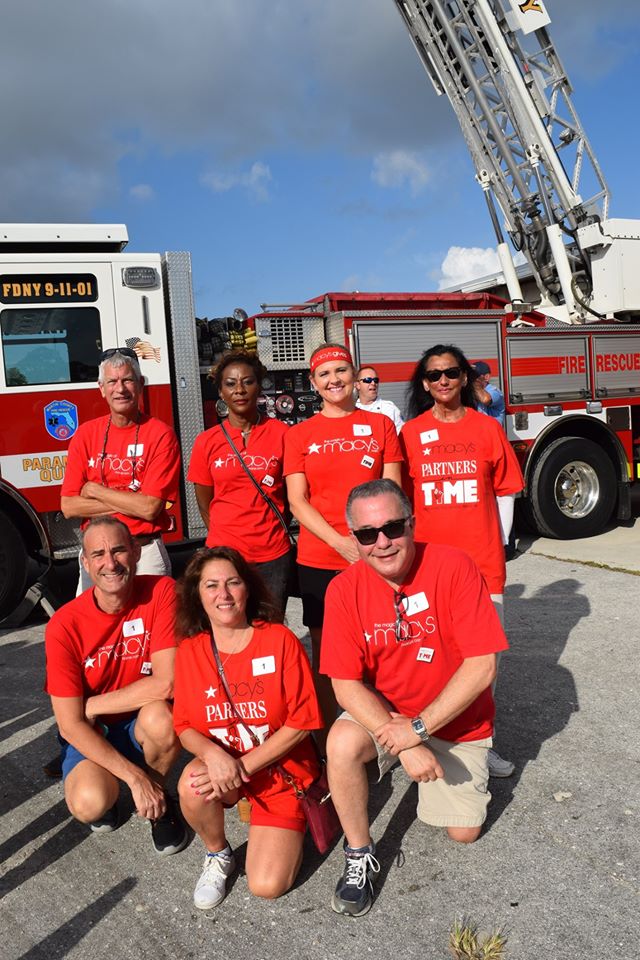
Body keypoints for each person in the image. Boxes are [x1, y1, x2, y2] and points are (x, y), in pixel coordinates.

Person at [321, 479, 507, 917]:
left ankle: (467, 764)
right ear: (354, 539)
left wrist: (417, 730)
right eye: (367, 534)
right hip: (389, 716)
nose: (382, 542)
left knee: (464, 833)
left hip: (455, 722)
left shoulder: (455, 566)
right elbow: (345, 685)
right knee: (341, 744)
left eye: (393, 528)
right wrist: (404, 740)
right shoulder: (343, 590)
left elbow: (483, 666)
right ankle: (358, 853)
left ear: (412, 523)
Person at [173, 546, 322, 909]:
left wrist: (242, 767)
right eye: (211, 586)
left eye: (232, 582)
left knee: (267, 885)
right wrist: (213, 756)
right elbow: (184, 725)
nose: (223, 594)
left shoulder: (279, 640)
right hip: (225, 769)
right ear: (198, 595)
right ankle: (218, 854)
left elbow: (302, 723)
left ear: (248, 589)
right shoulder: (190, 651)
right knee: (191, 785)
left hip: (280, 774)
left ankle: (282, 824)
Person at [400, 344, 523, 778]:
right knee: (431, 658)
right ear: (424, 383)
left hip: (483, 566)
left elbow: (507, 489)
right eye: (434, 375)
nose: (443, 381)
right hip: (428, 569)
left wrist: (501, 543)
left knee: (484, 666)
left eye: (451, 372)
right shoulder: (410, 434)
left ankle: (480, 742)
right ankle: (428, 737)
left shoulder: (487, 429)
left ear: (464, 377)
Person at [44, 516, 187, 855]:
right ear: (85, 562)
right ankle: (123, 782)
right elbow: (69, 724)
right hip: (94, 732)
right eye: (98, 554)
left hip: (140, 720)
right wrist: (132, 779)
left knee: (163, 719)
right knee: (90, 804)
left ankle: (159, 798)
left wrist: (91, 705)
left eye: (119, 550)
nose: (110, 562)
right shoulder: (64, 625)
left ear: (136, 552)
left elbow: (168, 684)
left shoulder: (162, 592)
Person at [284, 343, 403, 739]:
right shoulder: (299, 434)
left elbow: (392, 491)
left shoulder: (380, 426)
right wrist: (339, 543)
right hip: (321, 557)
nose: (334, 380)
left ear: (355, 376)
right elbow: (297, 502)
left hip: (376, 554)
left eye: (341, 371)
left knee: (382, 647)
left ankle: (384, 730)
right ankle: (328, 740)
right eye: (324, 374)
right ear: (313, 383)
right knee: (326, 656)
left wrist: (373, 545)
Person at [61, 347, 181, 592]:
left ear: (140, 384)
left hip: (143, 553)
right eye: (112, 381)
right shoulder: (86, 434)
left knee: (152, 629)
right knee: (95, 630)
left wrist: (95, 489)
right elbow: (69, 507)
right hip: (95, 556)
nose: (121, 388)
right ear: (101, 388)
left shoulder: (161, 435)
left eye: (127, 380)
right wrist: (132, 502)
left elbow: (150, 509)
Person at [188, 350, 292, 615]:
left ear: (259, 386)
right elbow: (204, 503)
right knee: (228, 626)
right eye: (230, 384)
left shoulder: (283, 434)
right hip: (225, 556)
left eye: (248, 381)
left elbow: (291, 495)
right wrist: (226, 540)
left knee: (270, 628)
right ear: (221, 392)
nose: (240, 390)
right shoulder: (206, 441)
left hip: (273, 555)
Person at [354, 365, 404, 433]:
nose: (373, 383)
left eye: (375, 380)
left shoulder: (389, 409)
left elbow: (401, 436)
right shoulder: (350, 410)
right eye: (368, 380)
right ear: (357, 385)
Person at [473, 360, 505, 426]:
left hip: (492, 434)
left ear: (486, 377)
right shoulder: (473, 391)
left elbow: (485, 399)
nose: (472, 378)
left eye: (475, 376)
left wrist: (473, 383)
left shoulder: (495, 391)